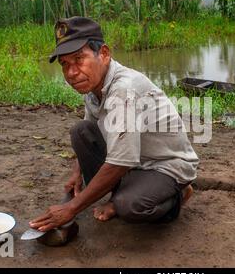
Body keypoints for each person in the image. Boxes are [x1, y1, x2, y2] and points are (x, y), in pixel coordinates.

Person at [29, 17, 199, 236]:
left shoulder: (124, 88)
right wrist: (77, 172)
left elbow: (120, 162)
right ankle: (121, 195)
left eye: (79, 59)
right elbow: (92, 128)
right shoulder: (94, 86)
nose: (71, 72)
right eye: (65, 64)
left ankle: (177, 196)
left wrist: (71, 208)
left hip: (164, 165)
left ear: (104, 54)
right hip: (133, 162)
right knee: (81, 132)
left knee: (130, 206)